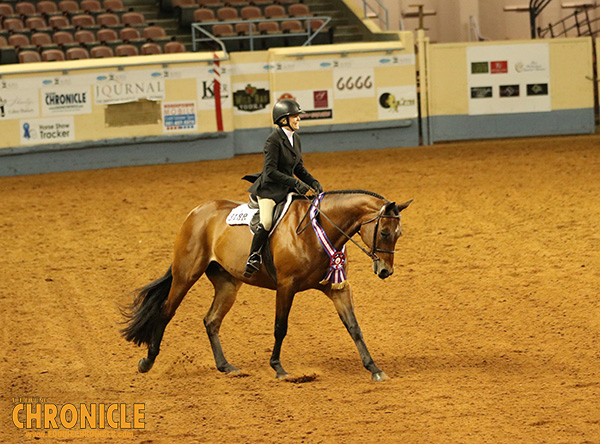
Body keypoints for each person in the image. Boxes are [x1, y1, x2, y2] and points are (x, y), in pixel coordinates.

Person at [243, 99, 323, 278]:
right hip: (269, 190)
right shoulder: (273, 140)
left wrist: (313, 182)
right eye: (295, 116)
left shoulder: (296, 138)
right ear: (283, 120)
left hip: (286, 189)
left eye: (298, 116)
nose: (298, 120)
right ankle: (253, 256)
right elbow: (270, 171)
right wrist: (295, 183)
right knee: (267, 222)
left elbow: (298, 168)